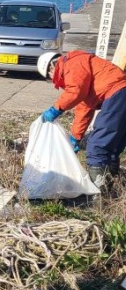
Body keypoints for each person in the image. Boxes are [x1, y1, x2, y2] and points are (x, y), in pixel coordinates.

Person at [37, 51, 126, 188]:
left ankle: (99, 195)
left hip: (117, 94)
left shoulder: (71, 63)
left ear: (51, 68)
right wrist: (75, 137)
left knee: (97, 145)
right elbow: (83, 109)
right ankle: (113, 185)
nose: (53, 81)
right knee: (112, 144)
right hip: (120, 94)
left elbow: (75, 92)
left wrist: (56, 108)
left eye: (49, 77)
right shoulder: (79, 68)